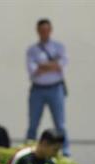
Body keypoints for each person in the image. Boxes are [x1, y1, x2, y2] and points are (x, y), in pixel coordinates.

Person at [25, 19, 69, 155]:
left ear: (50, 30)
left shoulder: (59, 47)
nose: (44, 33)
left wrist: (43, 65)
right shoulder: (32, 50)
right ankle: (29, 150)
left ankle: (65, 152)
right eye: (41, 30)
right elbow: (33, 70)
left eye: (46, 30)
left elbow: (61, 65)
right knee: (33, 124)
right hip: (38, 89)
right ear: (38, 31)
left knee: (60, 124)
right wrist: (52, 65)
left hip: (55, 88)